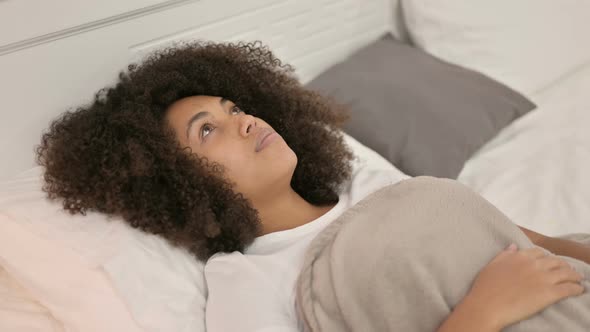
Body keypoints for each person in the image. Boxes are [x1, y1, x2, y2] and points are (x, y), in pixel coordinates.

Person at [36, 41, 587, 332]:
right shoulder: (242, 278)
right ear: (176, 183)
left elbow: (498, 236)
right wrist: (485, 312)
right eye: (209, 130)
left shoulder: (362, 181)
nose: (246, 121)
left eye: (235, 108)